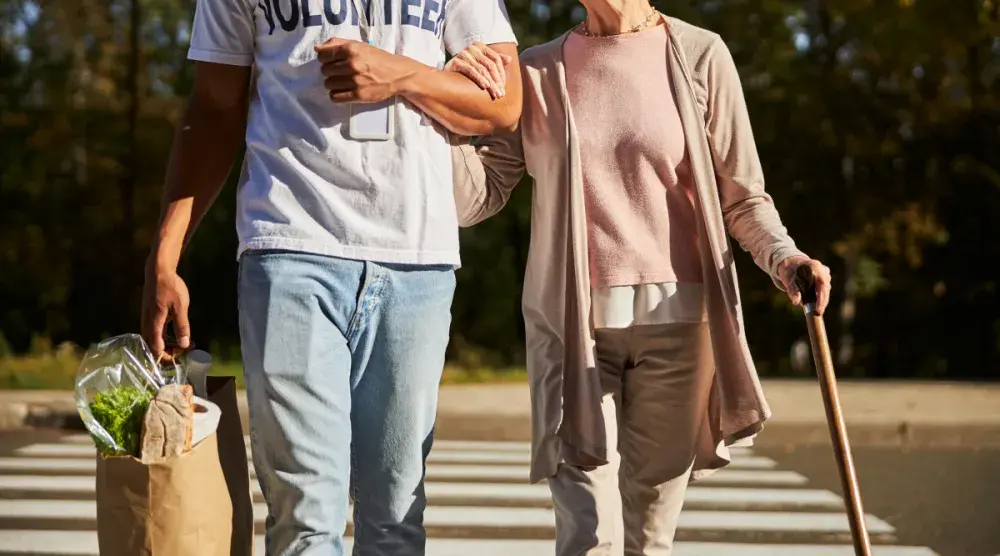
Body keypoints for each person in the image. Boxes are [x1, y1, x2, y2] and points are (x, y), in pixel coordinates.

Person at [447, 1, 832, 554]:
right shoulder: (534, 70)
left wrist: (785, 259)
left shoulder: (700, 55)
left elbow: (743, 199)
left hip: (681, 328)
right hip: (569, 330)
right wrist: (442, 111)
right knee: (587, 534)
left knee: (650, 540)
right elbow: (479, 195)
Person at [139, 0, 522, 553]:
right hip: (289, 246)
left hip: (416, 258)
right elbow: (214, 108)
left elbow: (503, 106)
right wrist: (165, 256)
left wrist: (403, 74)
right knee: (304, 520)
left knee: (395, 519)